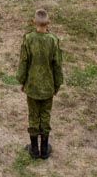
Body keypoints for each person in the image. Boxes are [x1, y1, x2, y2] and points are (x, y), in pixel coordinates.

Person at [18, 9, 63, 160]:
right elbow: (57, 64)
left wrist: (22, 80)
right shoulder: (53, 40)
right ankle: (44, 148)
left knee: (33, 115)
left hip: (32, 85)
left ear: (34, 22)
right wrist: (57, 84)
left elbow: (24, 61)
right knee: (45, 115)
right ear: (49, 22)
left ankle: (34, 149)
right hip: (48, 86)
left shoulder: (28, 39)